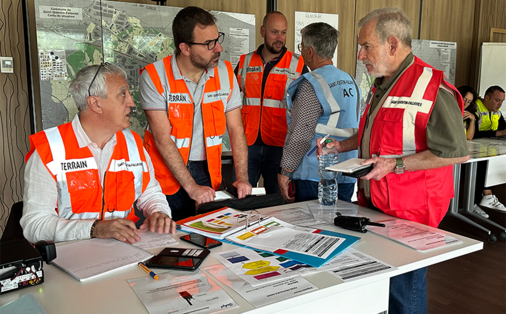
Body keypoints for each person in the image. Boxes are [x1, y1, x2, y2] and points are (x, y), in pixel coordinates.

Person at [318, 7, 469, 314]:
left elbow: (455, 153)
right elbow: (375, 135)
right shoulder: (382, 83)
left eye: (366, 46)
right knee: (379, 285)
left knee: (403, 289)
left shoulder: (432, 87)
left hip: (412, 208)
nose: (360, 55)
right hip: (378, 201)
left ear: (391, 44)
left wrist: (395, 165)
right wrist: (342, 145)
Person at [21, 64, 176, 243]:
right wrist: (94, 228)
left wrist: (159, 212)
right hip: (67, 256)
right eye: (123, 94)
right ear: (96, 104)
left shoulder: (132, 143)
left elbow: (150, 192)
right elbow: (34, 225)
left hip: (125, 247)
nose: (132, 103)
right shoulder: (49, 150)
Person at [140, 6, 252, 221]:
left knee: (211, 230)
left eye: (217, 39)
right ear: (185, 48)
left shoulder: (226, 72)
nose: (218, 47)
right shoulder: (154, 77)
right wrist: (191, 187)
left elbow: (236, 130)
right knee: (170, 236)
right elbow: (162, 139)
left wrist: (243, 178)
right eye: (209, 43)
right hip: (165, 172)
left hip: (207, 169)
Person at [277, 22, 360, 203]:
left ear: (310, 51)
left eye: (302, 48)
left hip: (315, 175)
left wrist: (285, 171)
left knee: (312, 228)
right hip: (347, 173)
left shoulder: (312, 84)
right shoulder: (351, 81)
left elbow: (301, 132)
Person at [235, 11, 308, 194]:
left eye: (283, 33)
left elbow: (306, 108)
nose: (279, 38)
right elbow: (231, 102)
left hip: (279, 145)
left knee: (277, 198)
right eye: (274, 32)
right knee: (242, 197)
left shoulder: (298, 64)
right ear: (262, 31)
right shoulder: (244, 62)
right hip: (247, 143)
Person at [472, 85, 506, 213]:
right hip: (471, 150)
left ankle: (487, 197)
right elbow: (471, 134)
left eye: (502, 101)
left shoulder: (497, 112)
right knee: (481, 165)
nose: (500, 104)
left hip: (487, 148)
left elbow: (503, 129)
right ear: (486, 98)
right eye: (497, 100)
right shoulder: (474, 108)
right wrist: (497, 134)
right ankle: (478, 200)